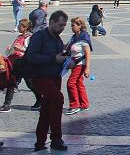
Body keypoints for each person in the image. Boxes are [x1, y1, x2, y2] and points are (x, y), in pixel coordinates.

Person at [26, 10, 69, 151]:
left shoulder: (58, 38)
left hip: (55, 77)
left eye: (64, 26)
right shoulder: (39, 37)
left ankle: (40, 142)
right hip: (40, 77)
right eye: (60, 25)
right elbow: (31, 57)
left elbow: (58, 57)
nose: (62, 28)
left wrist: (67, 60)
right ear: (51, 22)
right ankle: (56, 138)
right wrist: (53, 59)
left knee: (46, 110)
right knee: (58, 99)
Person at [1, 19, 35, 112]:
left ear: (25, 27)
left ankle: (41, 100)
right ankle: (6, 105)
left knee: (30, 84)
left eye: (20, 25)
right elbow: (13, 49)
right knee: (11, 83)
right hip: (15, 63)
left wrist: (20, 49)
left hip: (24, 63)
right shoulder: (19, 36)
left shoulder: (29, 37)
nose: (19, 27)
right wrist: (10, 49)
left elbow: (31, 51)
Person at [64, 16, 92, 115]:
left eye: (73, 25)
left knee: (70, 83)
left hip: (80, 64)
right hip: (74, 63)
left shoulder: (84, 38)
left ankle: (74, 105)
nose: (71, 27)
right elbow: (67, 46)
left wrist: (87, 68)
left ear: (80, 26)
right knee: (79, 83)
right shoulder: (74, 36)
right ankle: (84, 104)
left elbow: (88, 53)